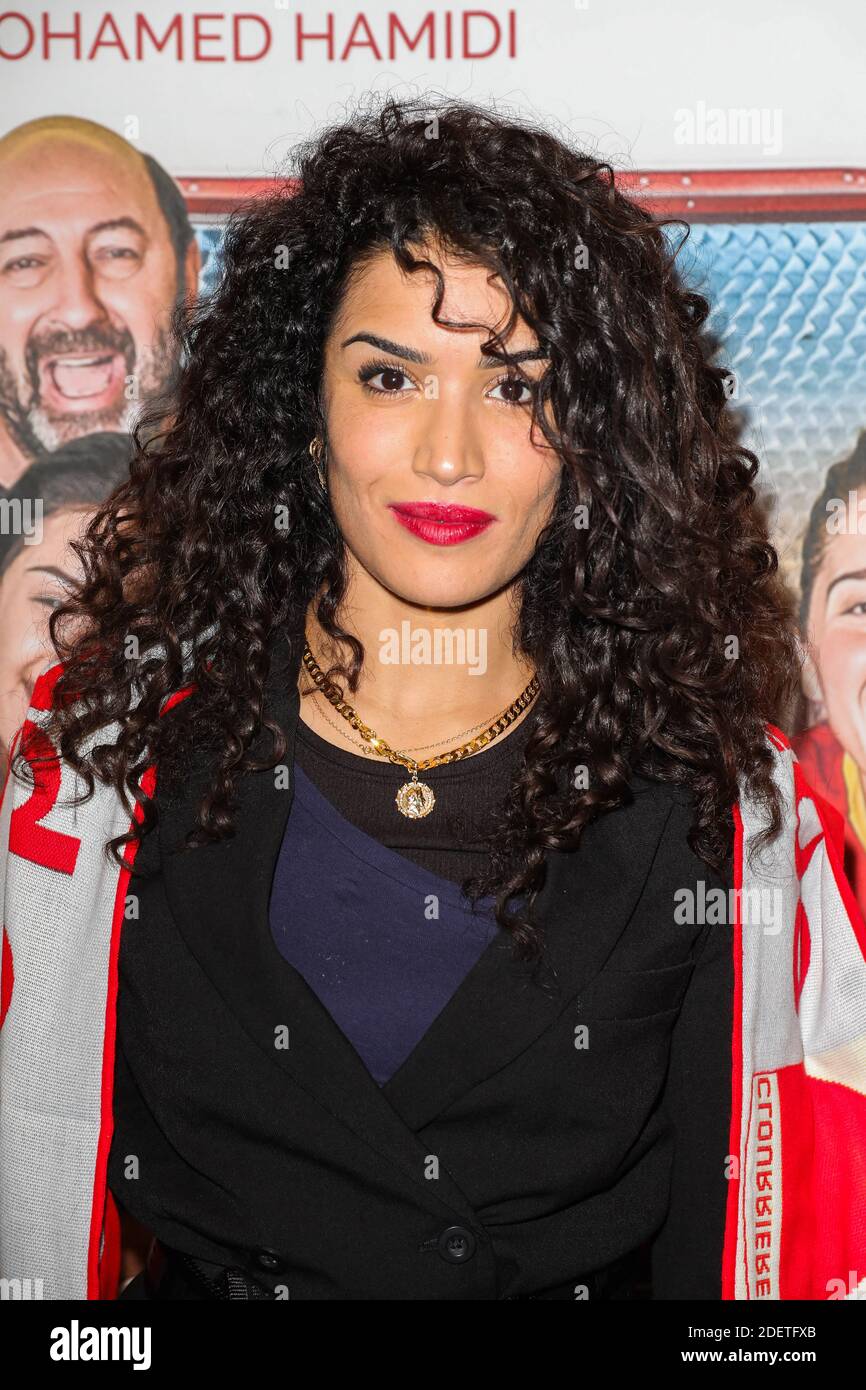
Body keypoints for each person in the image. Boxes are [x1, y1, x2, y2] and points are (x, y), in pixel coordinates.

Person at [1, 95, 864, 1304]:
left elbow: (750, 1254)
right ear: (305, 415)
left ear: (592, 438)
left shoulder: (725, 810)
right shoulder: (105, 774)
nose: (448, 452)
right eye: (391, 375)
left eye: (515, 387)